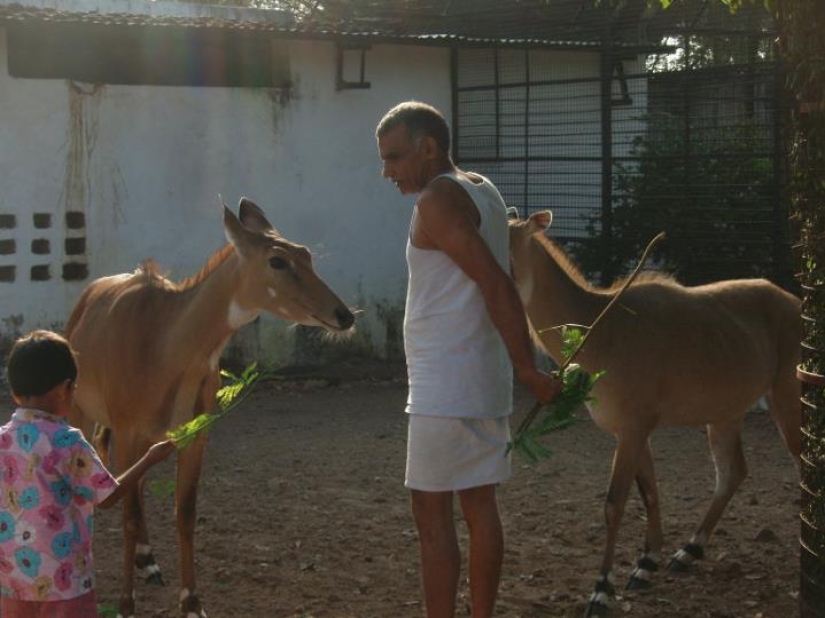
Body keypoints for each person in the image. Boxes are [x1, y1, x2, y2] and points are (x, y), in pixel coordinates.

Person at [375, 101, 562, 618]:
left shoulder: (437, 199)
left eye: (393, 157)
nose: (386, 170)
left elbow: (495, 283)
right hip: (480, 379)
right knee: (480, 507)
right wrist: (518, 368)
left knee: (431, 516)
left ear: (427, 147)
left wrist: (528, 369)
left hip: (447, 386)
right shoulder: (482, 186)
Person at [0, 330, 175, 618]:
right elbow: (106, 497)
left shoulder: (3, 440)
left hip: (13, 581)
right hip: (65, 582)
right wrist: (148, 459)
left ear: (15, 392)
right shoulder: (68, 441)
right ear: (65, 389)